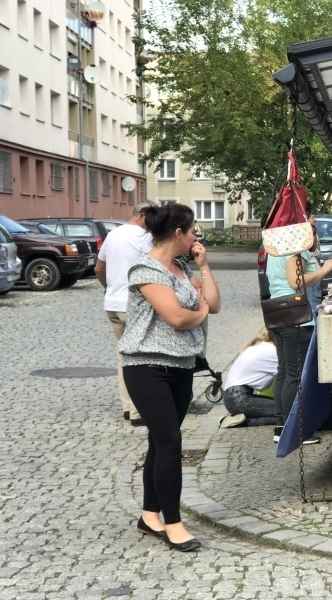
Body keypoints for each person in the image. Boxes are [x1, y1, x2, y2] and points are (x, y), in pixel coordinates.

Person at [120, 203, 221, 552]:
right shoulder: (144, 269)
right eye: (194, 231)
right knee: (170, 443)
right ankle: (173, 523)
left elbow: (214, 303)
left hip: (180, 367)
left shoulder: (180, 268)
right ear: (178, 233)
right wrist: (200, 311)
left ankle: (149, 516)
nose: (197, 237)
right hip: (146, 368)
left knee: (158, 443)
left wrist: (203, 266)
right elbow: (177, 318)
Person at [267, 215, 332, 444]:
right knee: (294, 375)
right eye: (312, 227)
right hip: (297, 317)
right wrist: (324, 269)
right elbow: (295, 281)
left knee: (285, 372)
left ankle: (281, 425)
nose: (314, 234)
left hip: (279, 313)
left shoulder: (275, 247)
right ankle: (292, 429)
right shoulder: (294, 248)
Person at [94, 201, 155, 426]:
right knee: (139, 358)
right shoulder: (144, 237)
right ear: (142, 215)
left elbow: (98, 269)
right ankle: (138, 411)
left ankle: (128, 408)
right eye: (152, 216)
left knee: (124, 357)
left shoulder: (113, 235)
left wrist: (109, 288)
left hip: (112, 304)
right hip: (133, 306)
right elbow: (155, 267)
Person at [218, 329, 278, 429]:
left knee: (284, 411)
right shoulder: (272, 351)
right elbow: (293, 373)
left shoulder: (262, 345)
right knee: (287, 412)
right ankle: (245, 422)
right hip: (239, 399)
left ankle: (239, 418)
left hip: (234, 397)